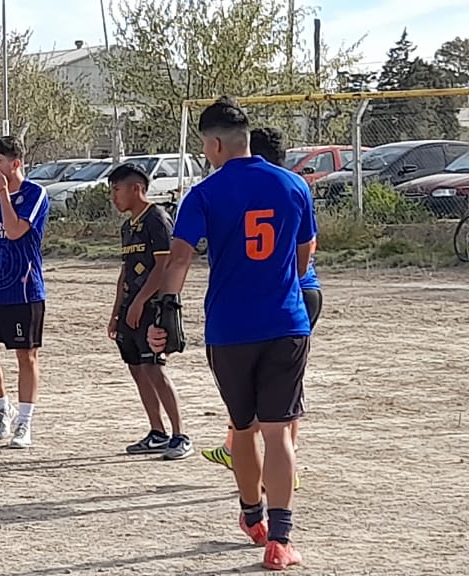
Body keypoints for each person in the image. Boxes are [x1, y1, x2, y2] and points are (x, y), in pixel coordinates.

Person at [148, 98, 316, 571]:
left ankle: (251, 517)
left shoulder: (203, 194)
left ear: (216, 143)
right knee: (280, 431)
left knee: (243, 428)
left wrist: (165, 312)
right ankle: (280, 540)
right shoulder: (294, 185)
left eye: (206, 146)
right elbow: (303, 259)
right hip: (286, 322)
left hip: (230, 329)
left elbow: (179, 260)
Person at [201, 127, 322, 489]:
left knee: (273, 397)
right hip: (297, 295)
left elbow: (302, 257)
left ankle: (277, 459)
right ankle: (248, 447)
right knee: (275, 395)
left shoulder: (260, 187)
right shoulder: (285, 188)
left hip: (290, 297)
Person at [106, 163, 192, 461]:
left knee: (155, 367)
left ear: (136, 188)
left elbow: (164, 265)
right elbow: (125, 271)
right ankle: (157, 432)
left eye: (117, 190)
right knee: (137, 368)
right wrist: (117, 310)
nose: (114, 197)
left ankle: (180, 434)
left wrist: (142, 301)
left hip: (152, 307)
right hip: (131, 307)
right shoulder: (128, 226)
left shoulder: (157, 218)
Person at [0, 136, 48, 449]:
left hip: (24, 289)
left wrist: (4, 193)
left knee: (25, 356)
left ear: (15, 163)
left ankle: (25, 422)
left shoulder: (35, 194)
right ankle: (2, 408)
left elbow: (15, 230)